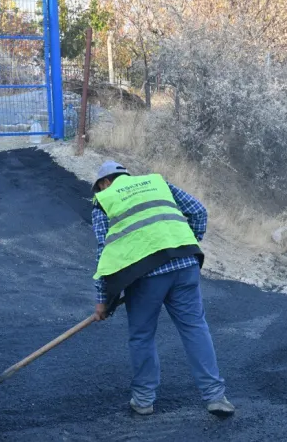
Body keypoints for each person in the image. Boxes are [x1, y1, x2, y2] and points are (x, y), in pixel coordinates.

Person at [90, 161, 234, 418]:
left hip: (144, 275)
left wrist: (103, 300)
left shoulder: (104, 200)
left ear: (104, 183)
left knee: (142, 335)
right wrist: (186, 242)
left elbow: (104, 251)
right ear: (126, 175)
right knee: (195, 328)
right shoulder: (157, 183)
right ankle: (216, 397)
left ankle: (144, 400)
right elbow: (199, 211)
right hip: (185, 263)